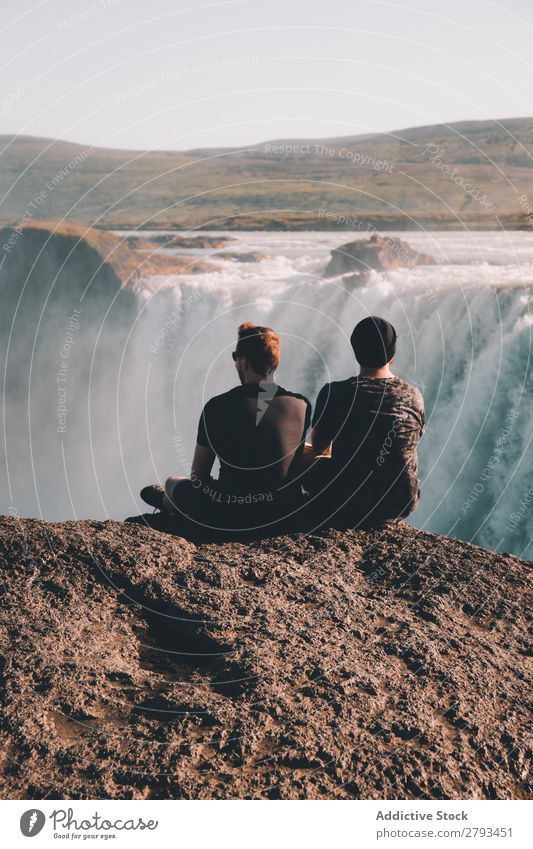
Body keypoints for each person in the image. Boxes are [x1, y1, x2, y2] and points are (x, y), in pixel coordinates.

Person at [140, 322, 311, 536]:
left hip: (229, 517)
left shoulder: (216, 406)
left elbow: (199, 478)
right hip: (282, 514)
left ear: (243, 361)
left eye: (235, 357)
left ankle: (168, 501)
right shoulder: (302, 405)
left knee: (173, 482)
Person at [306, 316, 425, 527]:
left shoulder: (335, 393)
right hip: (399, 502)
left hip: (345, 502)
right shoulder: (413, 395)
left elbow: (319, 449)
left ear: (356, 352)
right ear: (392, 355)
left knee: (295, 452)